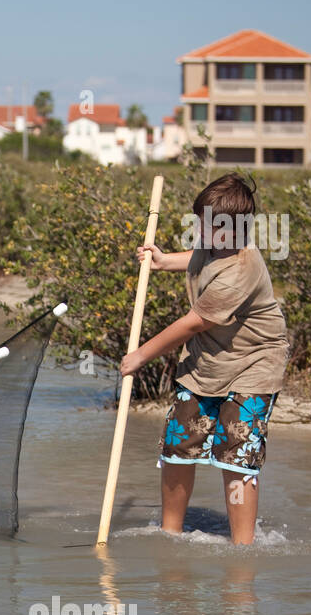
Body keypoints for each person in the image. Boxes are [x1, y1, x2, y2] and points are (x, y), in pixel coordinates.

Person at [119, 173, 289, 545]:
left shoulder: (241, 271)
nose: (201, 231)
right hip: (208, 362)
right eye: (200, 222)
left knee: (235, 453)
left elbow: (192, 323)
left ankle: (242, 549)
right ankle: (170, 535)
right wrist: (164, 261)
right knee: (179, 447)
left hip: (254, 364)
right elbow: (201, 258)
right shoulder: (214, 243)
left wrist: (141, 355)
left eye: (210, 226)